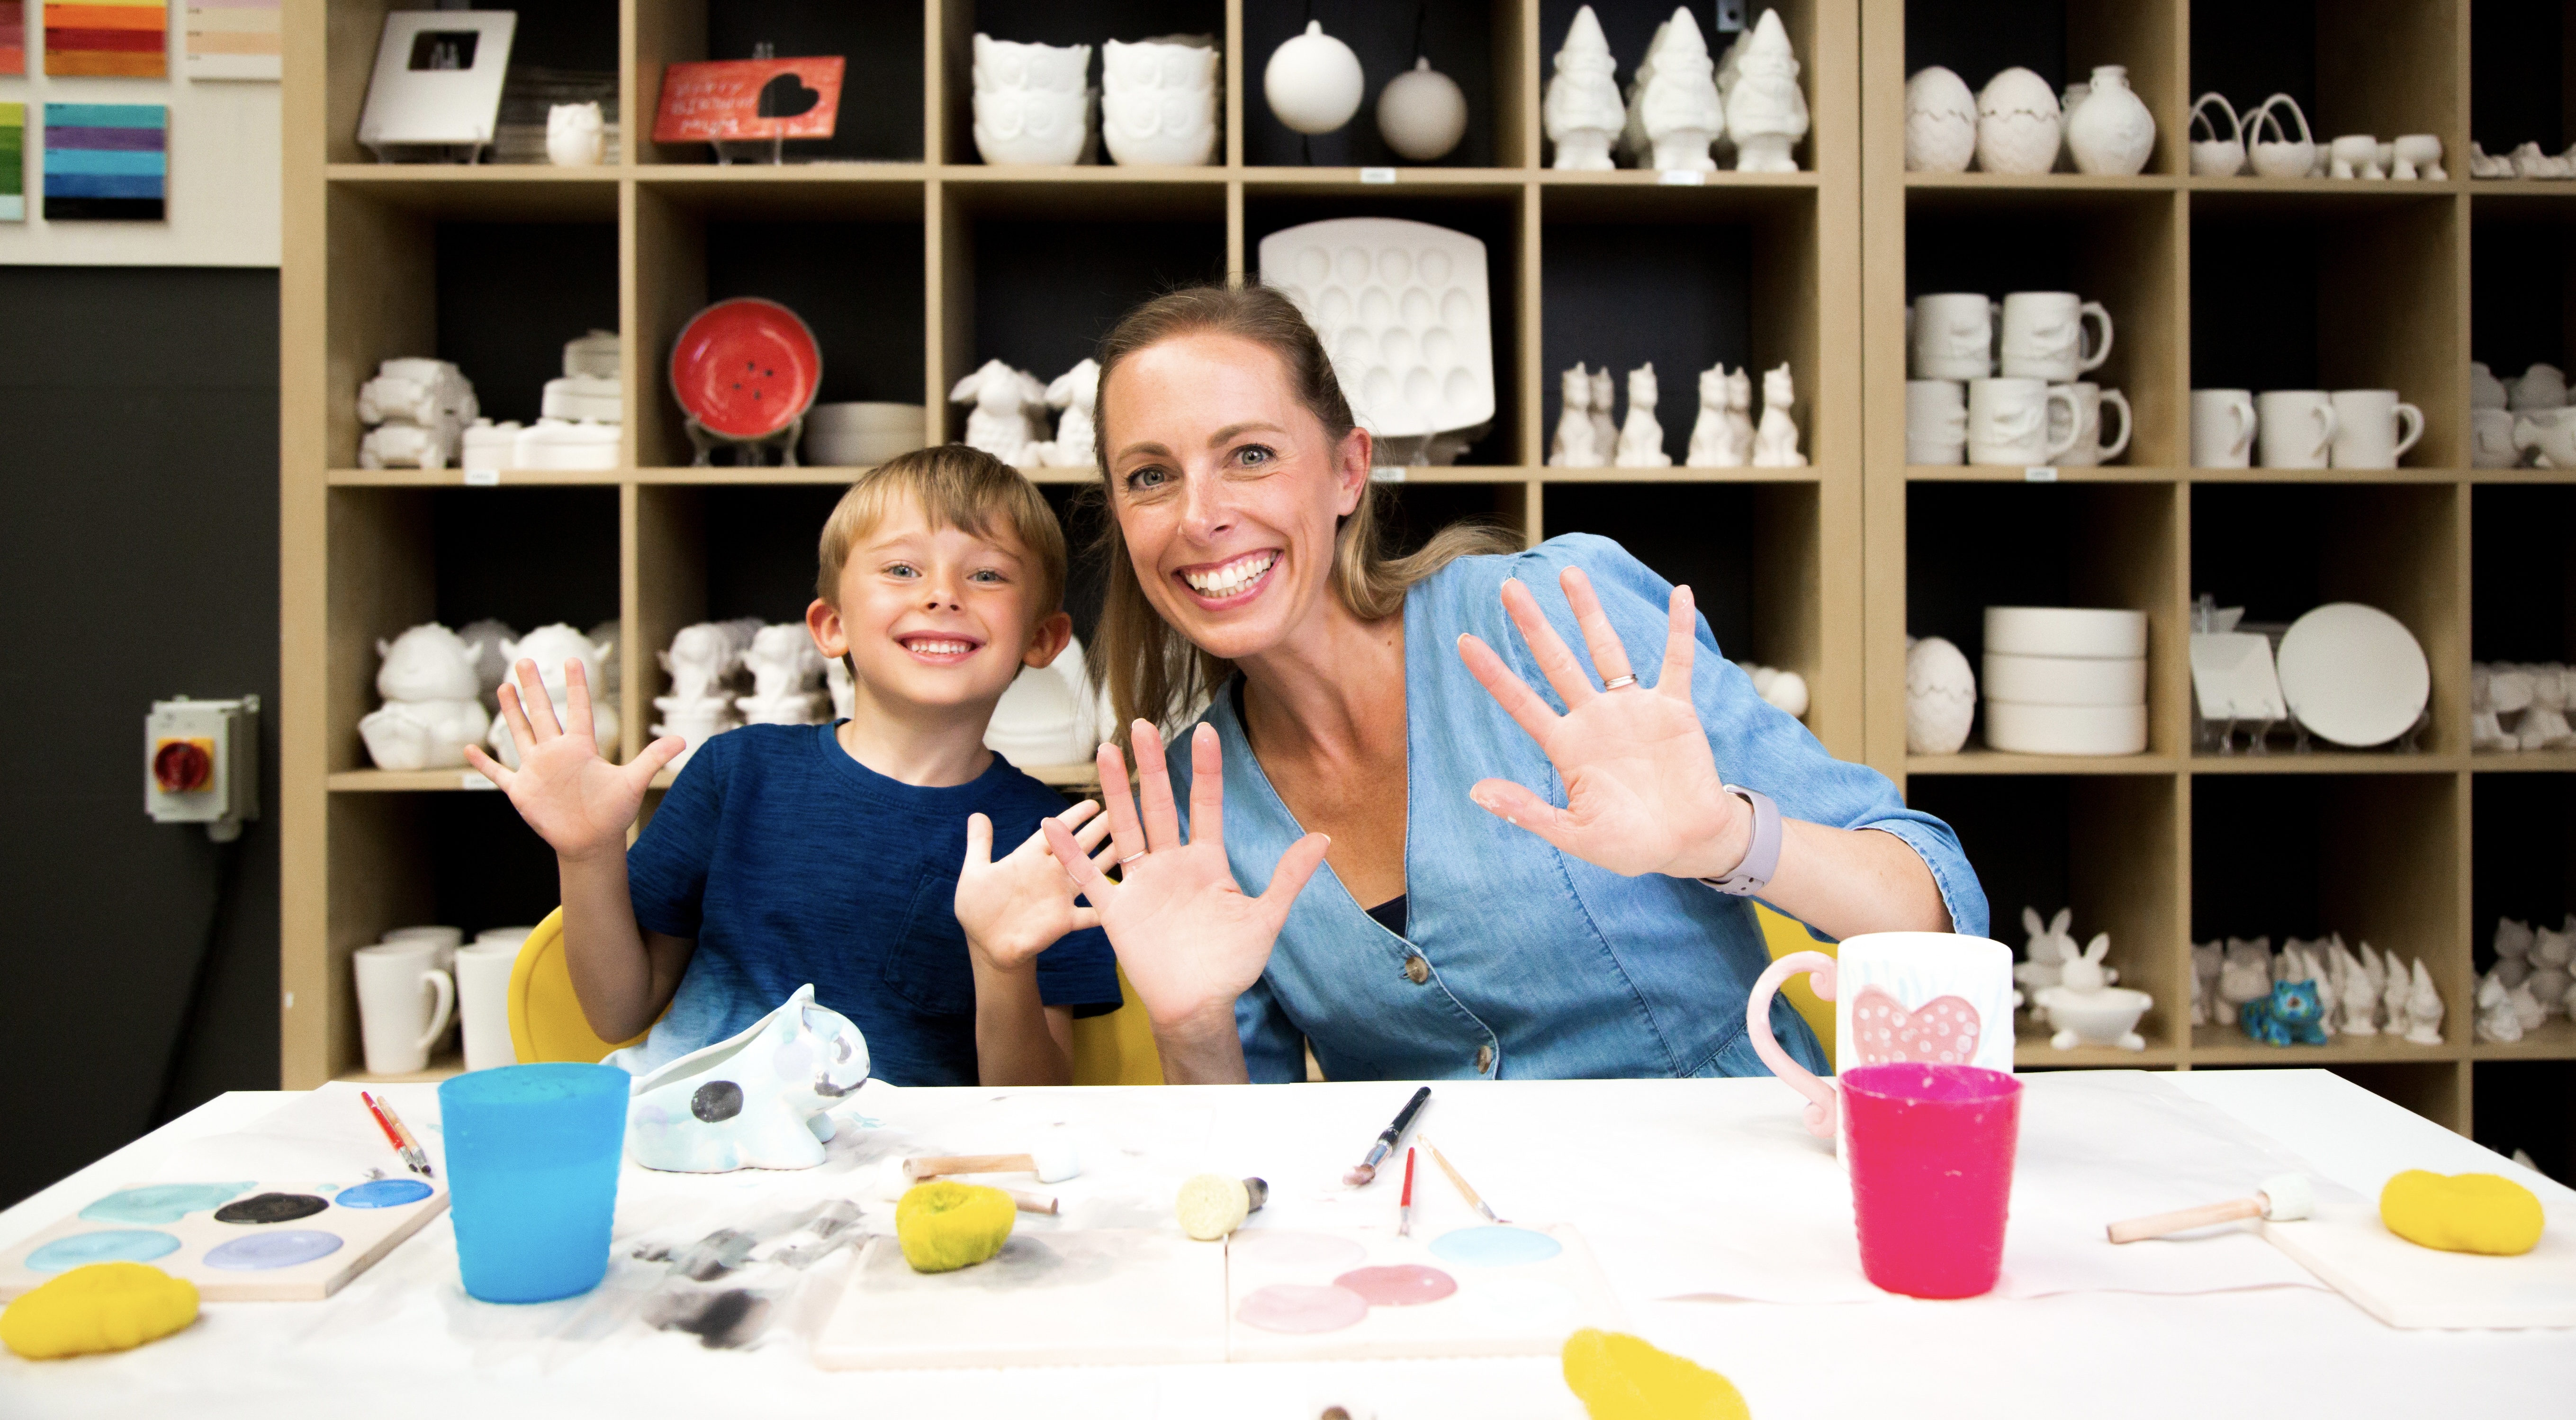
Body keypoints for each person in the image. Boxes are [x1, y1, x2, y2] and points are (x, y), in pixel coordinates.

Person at [1041, 285, 1985, 1084]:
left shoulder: (1551, 616)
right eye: (1150, 475)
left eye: (1249, 454)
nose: (1201, 515)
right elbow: (1252, 1180)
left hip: (1738, 1229)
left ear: (1346, 469)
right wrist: (1189, 1021)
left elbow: (1938, 906)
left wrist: (1724, 835)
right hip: (1458, 1265)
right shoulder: (1193, 804)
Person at [468, 447, 1123, 1086]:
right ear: (831, 624)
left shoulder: (1051, 840)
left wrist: (1000, 963)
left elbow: (1027, 1101)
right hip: (697, 1154)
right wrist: (587, 855)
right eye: (901, 569)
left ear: (1042, 639)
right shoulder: (736, 773)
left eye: (986, 574)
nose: (942, 595)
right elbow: (616, 1012)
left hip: (893, 1181)